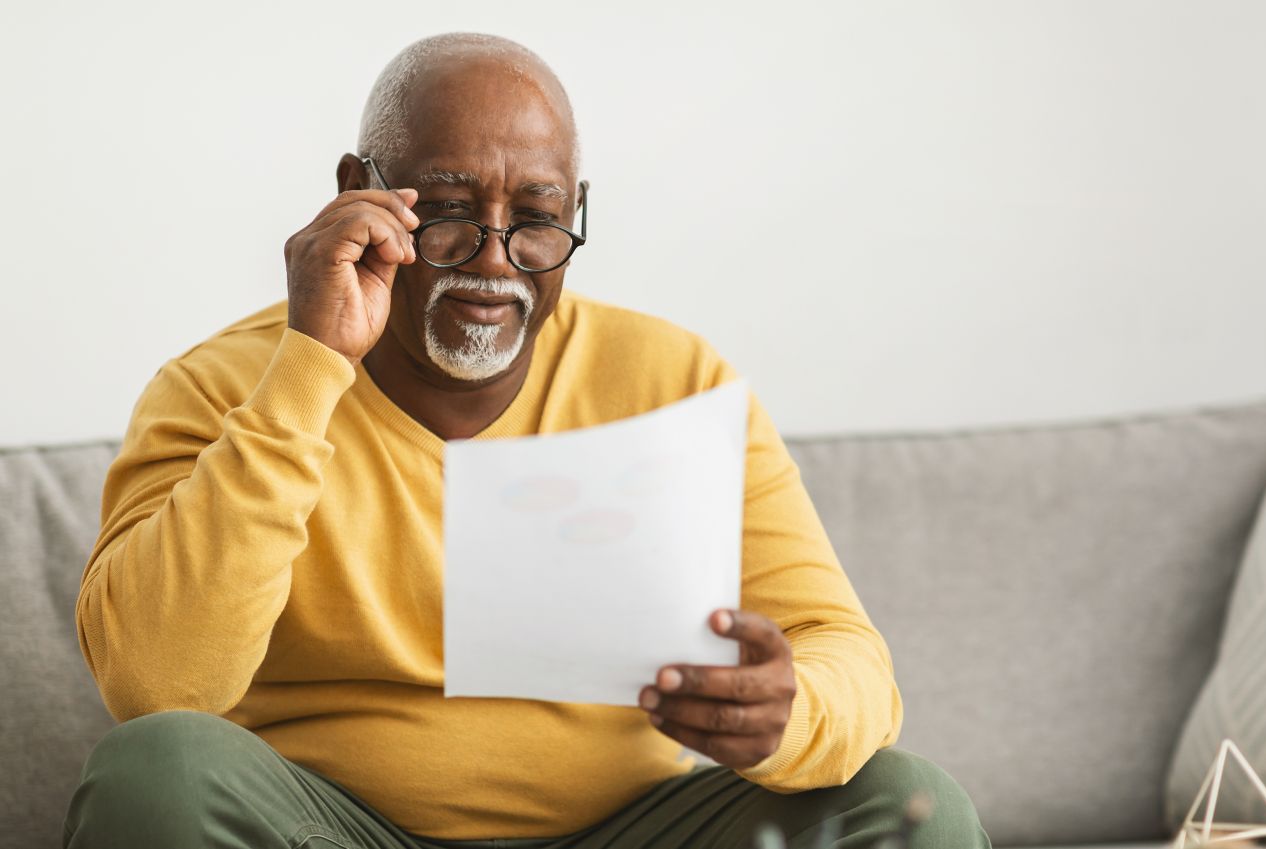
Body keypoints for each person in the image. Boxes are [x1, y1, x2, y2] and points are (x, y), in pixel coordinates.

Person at [65, 32, 990, 849]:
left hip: (634, 830)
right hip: (331, 829)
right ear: (360, 194)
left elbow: (845, 651)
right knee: (160, 768)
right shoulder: (221, 385)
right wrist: (311, 365)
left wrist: (790, 714)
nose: (496, 258)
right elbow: (155, 684)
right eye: (452, 209)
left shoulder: (676, 379)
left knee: (911, 805)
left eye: (538, 218)